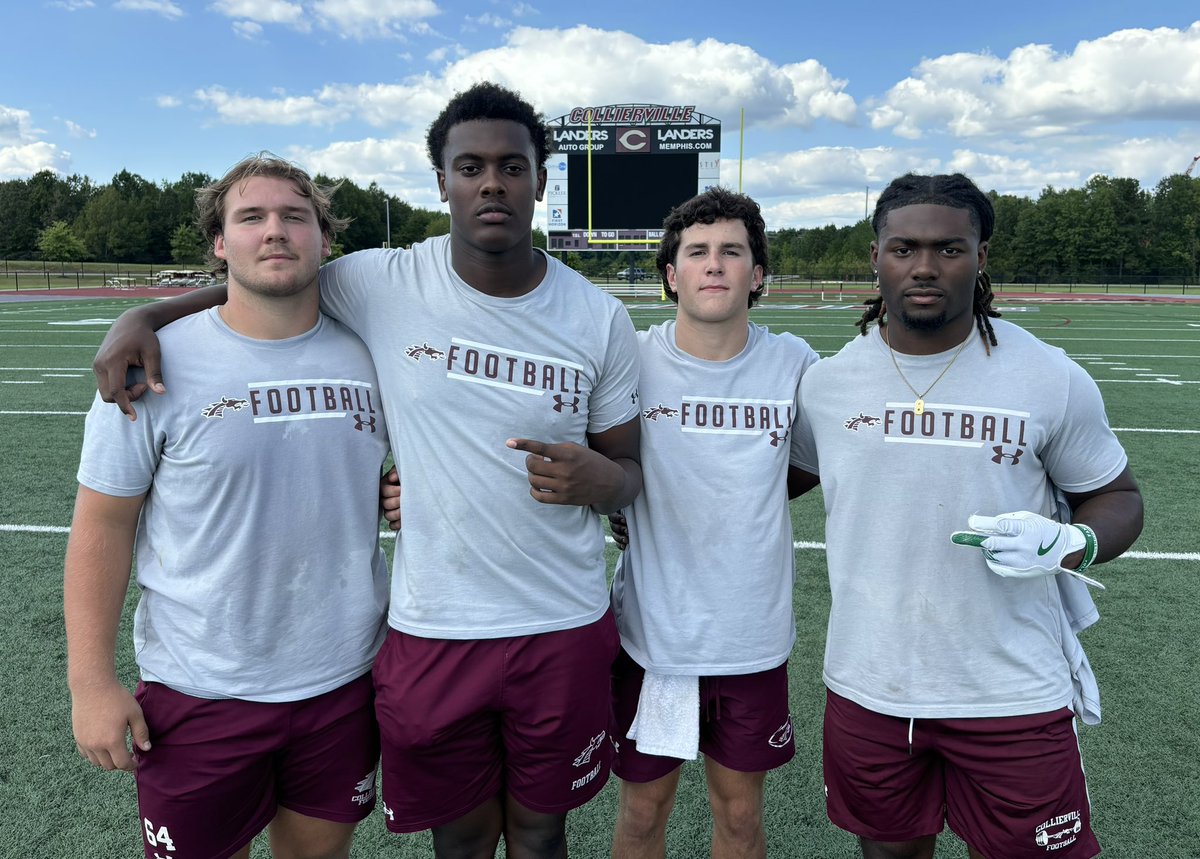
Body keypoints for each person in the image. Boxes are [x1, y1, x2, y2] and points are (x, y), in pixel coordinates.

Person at [91, 82, 642, 859]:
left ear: (541, 182)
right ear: (442, 182)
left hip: (562, 621)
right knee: (459, 833)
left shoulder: (597, 314)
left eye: (513, 166)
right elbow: (268, 277)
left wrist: (603, 482)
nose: (492, 182)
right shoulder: (384, 280)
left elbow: (628, 469)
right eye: (470, 166)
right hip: (432, 625)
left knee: (543, 831)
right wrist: (142, 316)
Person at [789, 173, 1144, 859]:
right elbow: (778, 482)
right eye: (904, 248)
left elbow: (1119, 495)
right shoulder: (828, 383)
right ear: (875, 256)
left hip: (1011, 689)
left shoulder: (1049, 375)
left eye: (949, 248)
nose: (924, 266)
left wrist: (1074, 539)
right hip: (870, 686)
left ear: (981, 258)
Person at [65, 154, 391, 859]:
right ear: (219, 243)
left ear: (325, 240)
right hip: (199, 688)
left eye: (294, 216)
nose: (274, 231)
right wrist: (90, 680)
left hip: (342, 680)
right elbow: (102, 524)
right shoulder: (152, 365)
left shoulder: (372, 356)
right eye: (251, 217)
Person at [603, 187, 819, 859]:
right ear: (672, 274)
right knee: (642, 811)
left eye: (732, 251)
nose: (714, 264)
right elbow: (592, 455)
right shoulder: (633, 358)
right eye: (697, 252)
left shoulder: (793, 363)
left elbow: (807, 465)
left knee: (740, 814)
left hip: (751, 636)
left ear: (758, 274)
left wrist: (740, 503)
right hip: (654, 635)